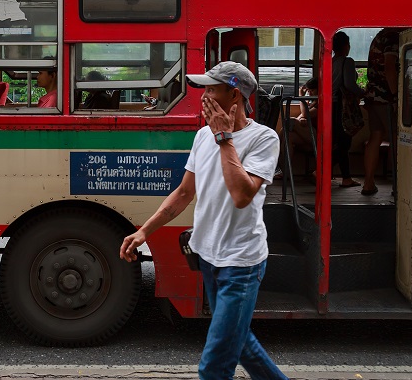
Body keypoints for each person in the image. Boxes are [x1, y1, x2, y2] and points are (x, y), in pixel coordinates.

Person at [119, 61, 288, 380]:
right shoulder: (201, 137)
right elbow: (184, 193)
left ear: (234, 95)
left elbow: (242, 195)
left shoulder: (263, 140)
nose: (203, 95)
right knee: (240, 344)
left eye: (211, 89)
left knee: (214, 365)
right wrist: (144, 231)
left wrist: (225, 138)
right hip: (208, 259)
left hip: (241, 264)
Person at [362, 28, 398, 196]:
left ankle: (368, 183)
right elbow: (390, 68)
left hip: (373, 96)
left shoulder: (381, 35)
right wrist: (396, 96)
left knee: (375, 137)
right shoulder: (392, 37)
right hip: (386, 98)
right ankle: (398, 185)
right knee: (398, 140)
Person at [332, 32, 364, 188]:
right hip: (341, 107)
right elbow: (350, 85)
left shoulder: (329, 62)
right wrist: (364, 93)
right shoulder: (347, 62)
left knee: (338, 142)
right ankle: (323, 171)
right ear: (346, 46)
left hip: (330, 107)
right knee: (344, 143)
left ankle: (344, 176)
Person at [276, 77, 318, 178]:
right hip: (308, 134)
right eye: (309, 91)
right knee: (288, 137)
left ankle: (275, 144)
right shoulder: (312, 102)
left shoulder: (321, 103)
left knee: (290, 121)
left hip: (317, 136)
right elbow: (302, 116)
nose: (310, 94)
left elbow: (305, 113)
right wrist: (301, 119)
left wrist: (301, 97)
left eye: (312, 91)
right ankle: (284, 170)